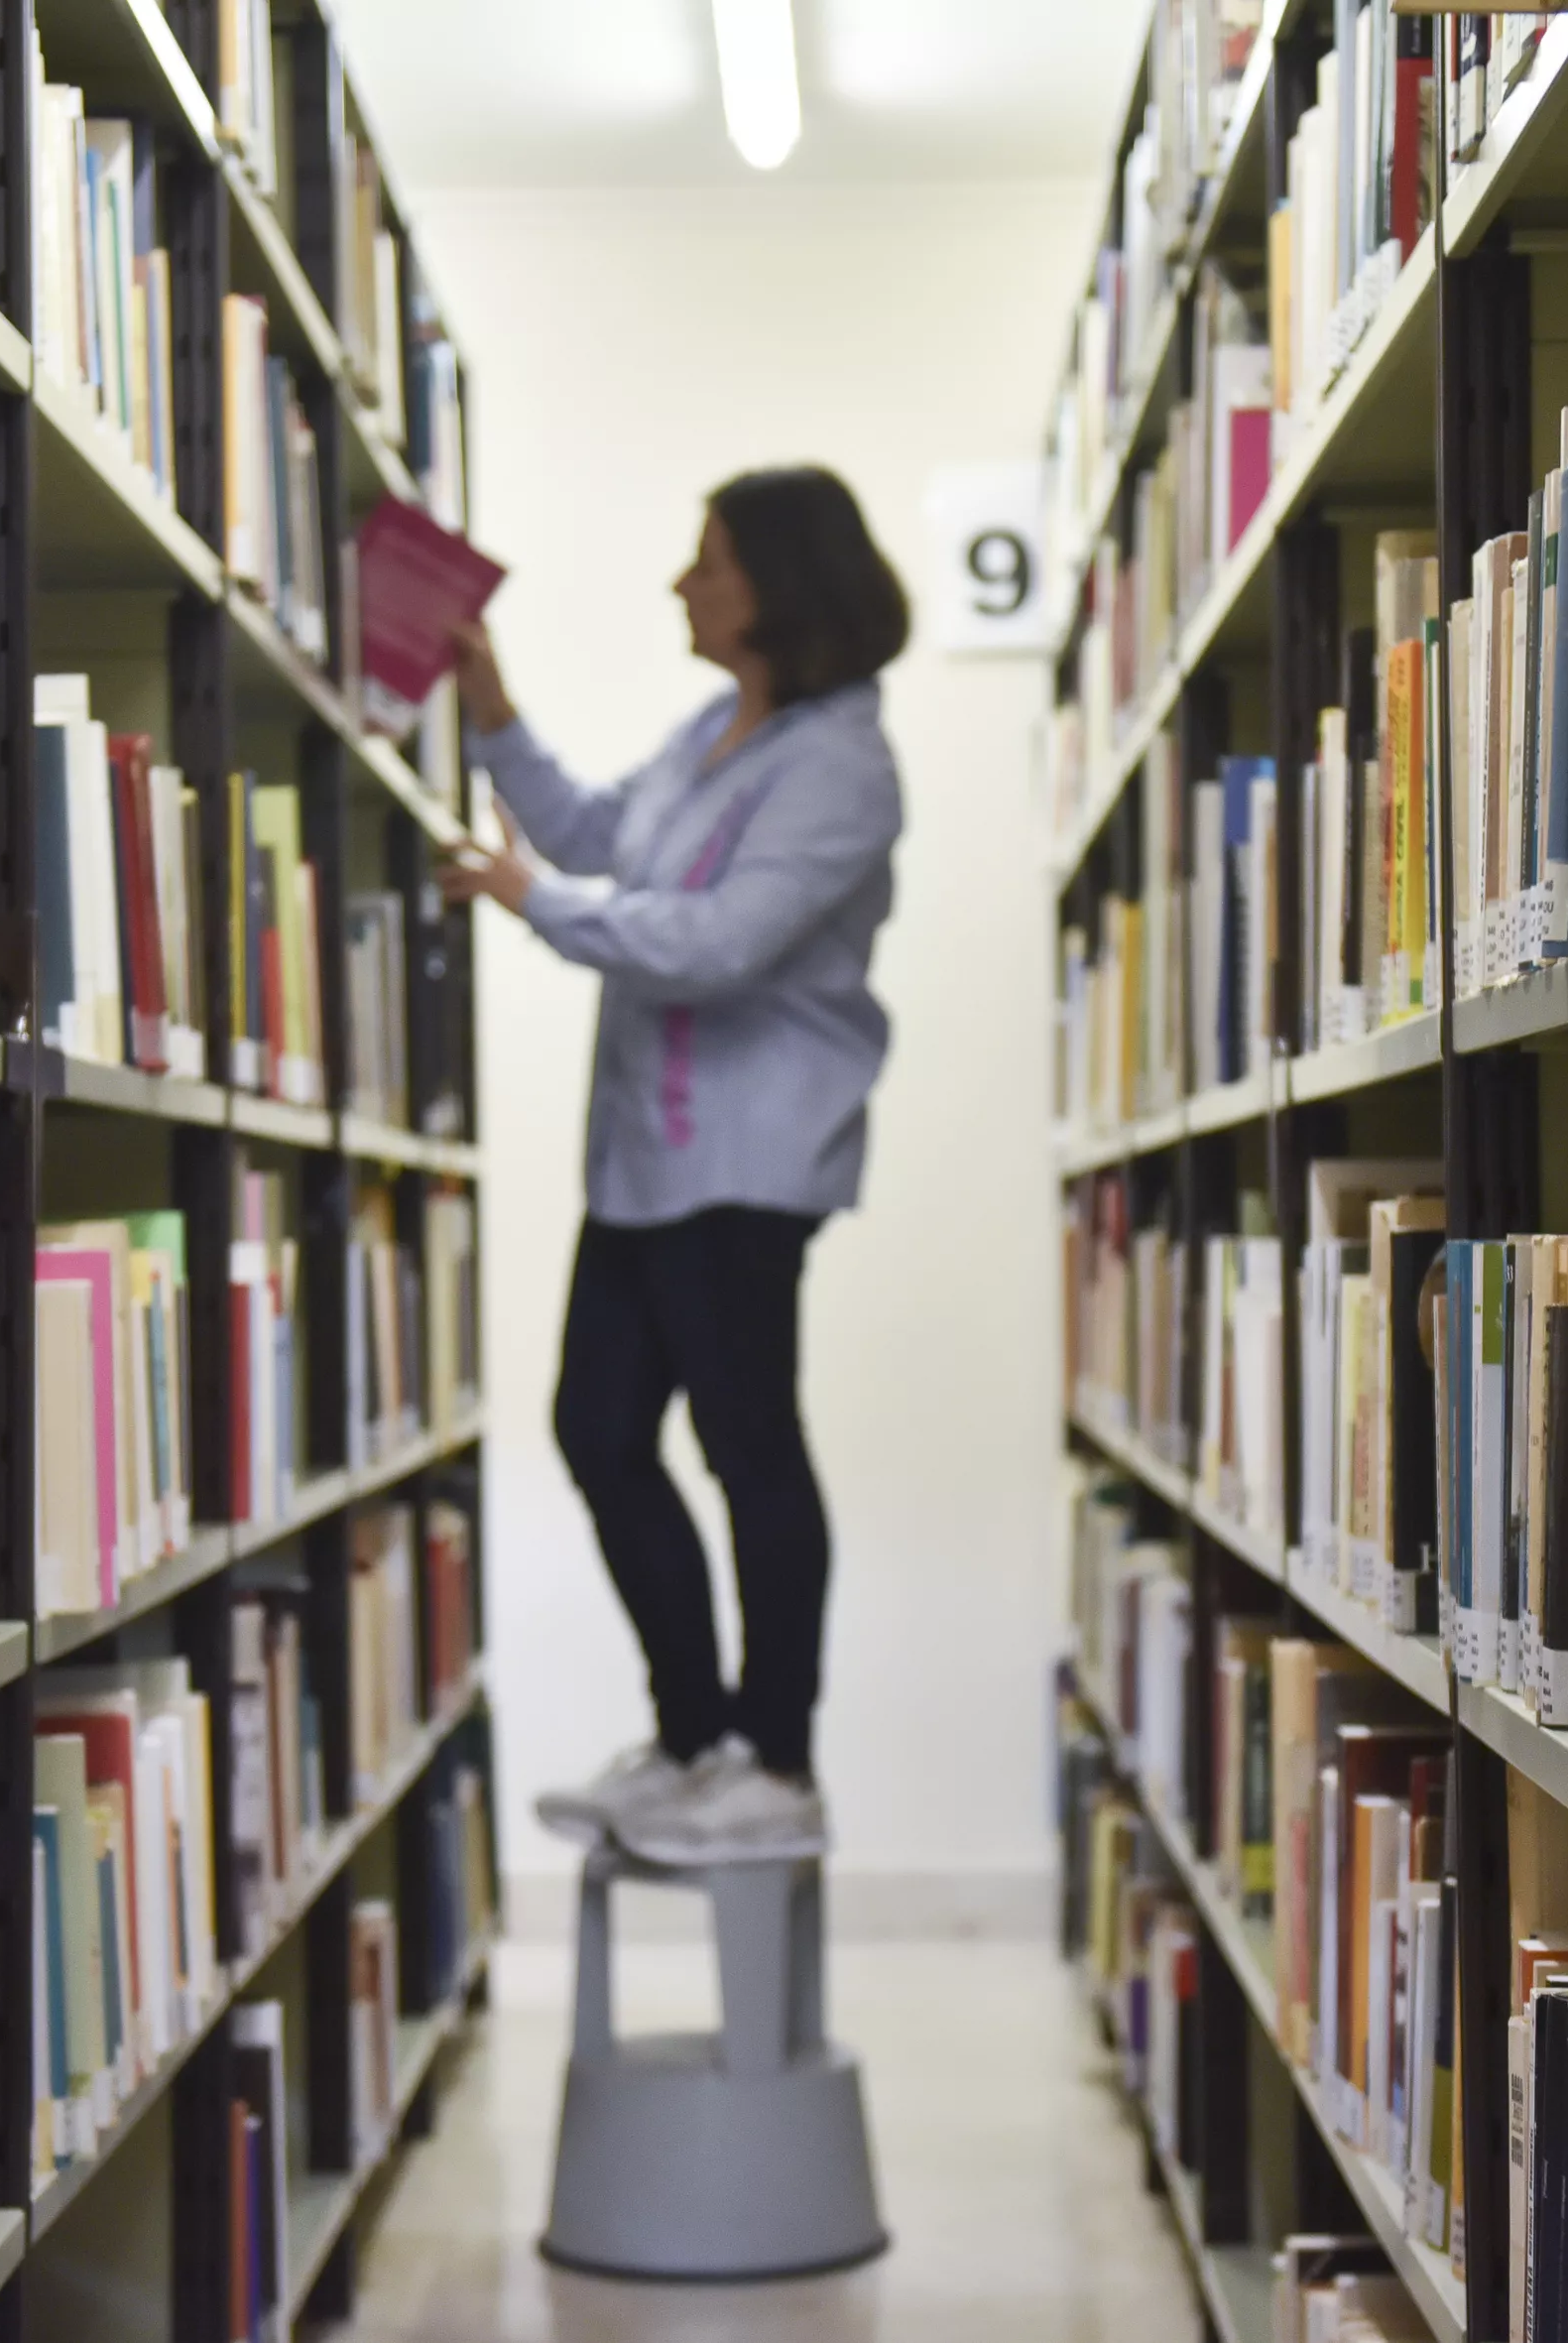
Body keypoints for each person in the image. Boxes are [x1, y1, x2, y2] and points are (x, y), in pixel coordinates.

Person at [441, 464, 907, 1867]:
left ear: (779, 583)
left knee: (747, 1446)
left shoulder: (842, 765)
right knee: (597, 1428)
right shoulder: (716, 726)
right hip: (644, 1155)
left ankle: (777, 1758)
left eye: (706, 561)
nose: (680, 584)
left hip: (749, 1161)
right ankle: (695, 1736)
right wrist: (497, 717)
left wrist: (533, 901)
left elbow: (712, 942)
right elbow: (603, 841)